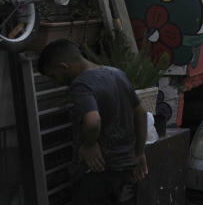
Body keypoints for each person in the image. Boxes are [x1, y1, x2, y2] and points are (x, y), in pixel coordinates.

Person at [38, 39, 148, 205]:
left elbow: (92, 121)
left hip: (99, 173)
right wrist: (139, 153)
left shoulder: (81, 85)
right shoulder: (117, 73)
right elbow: (141, 113)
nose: (56, 82)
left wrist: (89, 144)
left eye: (54, 76)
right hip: (127, 169)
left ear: (64, 67)